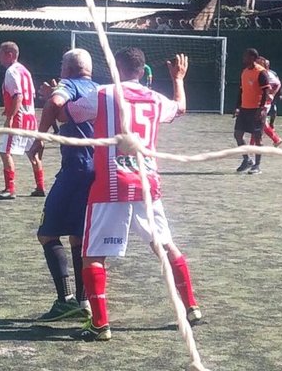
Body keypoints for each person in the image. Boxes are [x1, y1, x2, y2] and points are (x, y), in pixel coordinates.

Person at [71, 49, 200, 342]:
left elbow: (74, 112)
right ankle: (191, 306)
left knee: (92, 255)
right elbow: (179, 107)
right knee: (166, 246)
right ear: (141, 72)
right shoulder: (154, 98)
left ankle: (100, 324)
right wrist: (178, 79)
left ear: (116, 67)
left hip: (110, 184)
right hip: (146, 184)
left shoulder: (104, 94)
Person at [28, 49, 99, 323]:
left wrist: (39, 139)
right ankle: (83, 302)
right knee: (79, 238)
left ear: (68, 68)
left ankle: (65, 299)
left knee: (47, 234)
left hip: (75, 169)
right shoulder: (98, 89)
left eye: (61, 64)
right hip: (97, 170)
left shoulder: (68, 85)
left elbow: (55, 104)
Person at [0, 41, 45, 200]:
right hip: (30, 117)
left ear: (9, 55)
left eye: (0, 53)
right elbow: (30, 96)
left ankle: (9, 189)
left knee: (5, 152)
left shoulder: (11, 72)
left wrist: (10, 117)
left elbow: (18, 96)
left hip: (19, 119)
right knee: (32, 153)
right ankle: (40, 187)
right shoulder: (25, 71)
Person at [233, 48, 271, 174]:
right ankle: (247, 160)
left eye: (247, 56)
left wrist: (261, 109)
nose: (244, 58)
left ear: (253, 58)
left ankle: (257, 165)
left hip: (256, 110)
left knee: (257, 138)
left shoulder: (261, 73)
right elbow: (241, 90)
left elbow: (266, 91)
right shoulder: (244, 72)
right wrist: (238, 107)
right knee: (238, 135)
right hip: (244, 109)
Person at [257, 56, 282, 147]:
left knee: (259, 123)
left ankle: (275, 139)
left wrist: (272, 94)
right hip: (258, 101)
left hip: (264, 102)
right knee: (259, 123)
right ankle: (276, 139)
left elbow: (278, 83)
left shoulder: (267, 74)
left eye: (259, 63)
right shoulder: (258, 72)